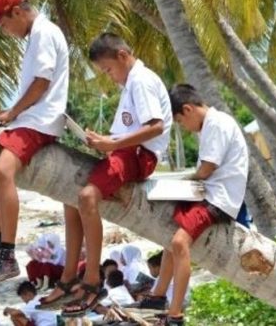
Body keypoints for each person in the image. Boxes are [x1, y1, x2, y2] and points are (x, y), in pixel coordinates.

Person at [54, 33, 171, 315]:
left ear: (122, 55)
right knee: (70, 197)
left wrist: (113, 144)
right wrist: (105, 141)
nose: (109, 76)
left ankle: (92, 278)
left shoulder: (140, 81)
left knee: (86, 196)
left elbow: (155, 126)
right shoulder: (132, 83)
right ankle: (70, 275)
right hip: (127, 151)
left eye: (108, 69)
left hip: (138, 155)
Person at [0, 0, 69, 284]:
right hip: (31, 118)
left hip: (39, 122)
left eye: (3, 23)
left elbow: (41, 82)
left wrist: (11, 113)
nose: (5, 30)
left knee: (1, 172)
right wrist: (10, 112)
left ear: (16, 12)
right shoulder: (39, 33)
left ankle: (7, 254)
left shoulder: (43, 32)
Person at [140, 84, 249, 326]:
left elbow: (207, 169)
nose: (184, 128)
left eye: (180, 121)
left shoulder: (217, 124)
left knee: (179, 242)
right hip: (209, 193)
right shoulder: (211, 125)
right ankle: (158, 297)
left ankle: (175, 313)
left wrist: (184, 181)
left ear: (188, 109)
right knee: (170, 239)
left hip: (218, 199)